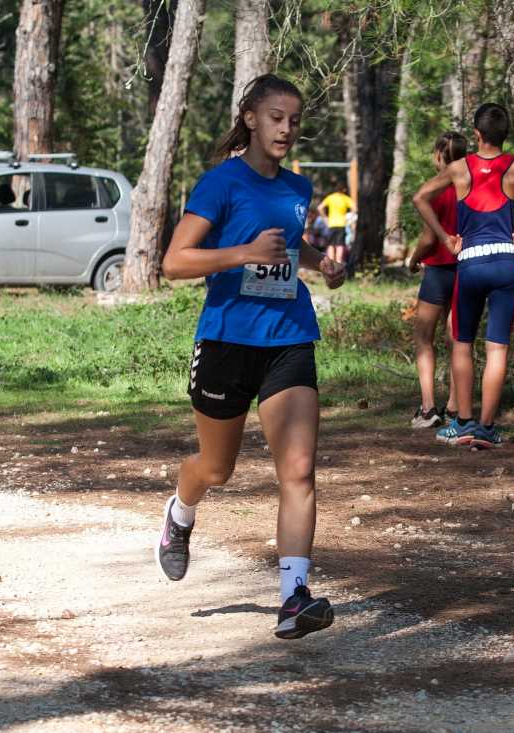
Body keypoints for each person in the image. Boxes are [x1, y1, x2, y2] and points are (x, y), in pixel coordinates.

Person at [158, 74, 345, 640]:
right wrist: (241, 253)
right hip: (226, 341)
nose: (286, 128)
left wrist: (319, 264)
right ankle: (180, 512)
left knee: (299, 470)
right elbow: (174, 263)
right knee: (216, 468)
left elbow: (288, 247)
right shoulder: (221, 184)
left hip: (288, 335)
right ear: (250, 118)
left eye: (294, 120)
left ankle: (294, 597)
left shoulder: (297, 188)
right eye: (276, 118)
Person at [413, 103, 514, 448]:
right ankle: (487, 428)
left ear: (476, 134)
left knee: (462, 344)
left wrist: (446, 236)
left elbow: (420, 197)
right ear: (505, 134)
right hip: (508, 263)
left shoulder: (460, 168)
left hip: (471, 263)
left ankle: (463, 423)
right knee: (497, 348)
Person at [406, 131, 467, 428]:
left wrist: (413, 258)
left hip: (438, 270)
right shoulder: (472, 186)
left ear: (439, 155)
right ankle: (456, 406)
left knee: (422, 336)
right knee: (457, 338)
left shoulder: (436, 189)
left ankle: (429, 408)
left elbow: (430, 237)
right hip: (466, 269)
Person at [318, 185, 355, 265]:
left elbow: (320, 207)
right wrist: (350, 219)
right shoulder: (345, 198)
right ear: (344, 190)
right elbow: (355, 208)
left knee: (330, 244)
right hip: (341, 224)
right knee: (340, 244)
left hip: (331, 224)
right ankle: (339, 263)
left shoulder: (330, 197)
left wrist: (325, 218)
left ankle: (331, 263)